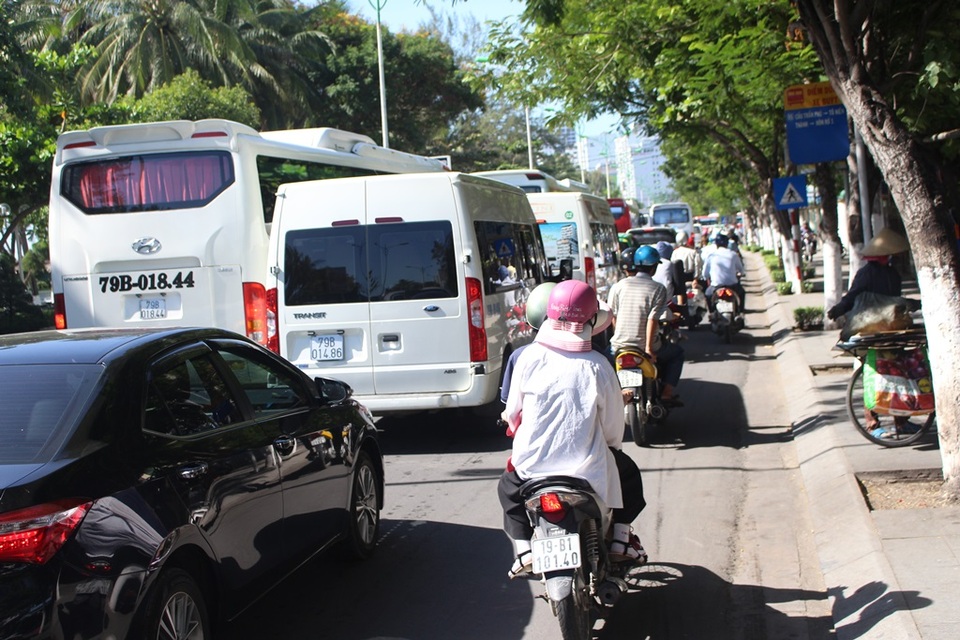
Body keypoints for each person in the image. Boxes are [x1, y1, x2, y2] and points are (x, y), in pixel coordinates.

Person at [498, 280, 647, 578]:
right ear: (591, 320)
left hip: (533, 467)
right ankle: (619, 541)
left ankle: (525, 550)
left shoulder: (527, 357)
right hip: (588, 469)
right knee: (628, 474)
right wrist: (609, 447)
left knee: (507, 489)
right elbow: (614, 429)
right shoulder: (598, 365)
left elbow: (512, 412)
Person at [826, 228, 918, 435]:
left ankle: (901, 421)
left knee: (898, 375)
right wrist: (840, 308)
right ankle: (873, 423)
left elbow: (894, 301)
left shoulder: (893, 274)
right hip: (870, 331)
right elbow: (854, 296)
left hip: (891, 329)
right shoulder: (866, 274)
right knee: (872, 375)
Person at [607, 245, 685, 405]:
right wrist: (648, 348)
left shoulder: (618, 286)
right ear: (654, 267)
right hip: (645, 346)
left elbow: (612, 316)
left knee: (601, 364)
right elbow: (652, 319)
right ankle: (666, 393)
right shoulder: (658, 288)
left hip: (618, 346)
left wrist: (618, 337)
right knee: (677, 353)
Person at [701, 233, 746, 310]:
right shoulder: (733, 254)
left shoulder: (711, 256)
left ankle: (711, 313)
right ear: (727, 243)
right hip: (733, 285)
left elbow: (705, 274)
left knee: (707, 294)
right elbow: (741, 269)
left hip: (716, 286)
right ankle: (741, 312)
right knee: (742, 293)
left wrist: (705, 277)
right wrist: (741, 274)